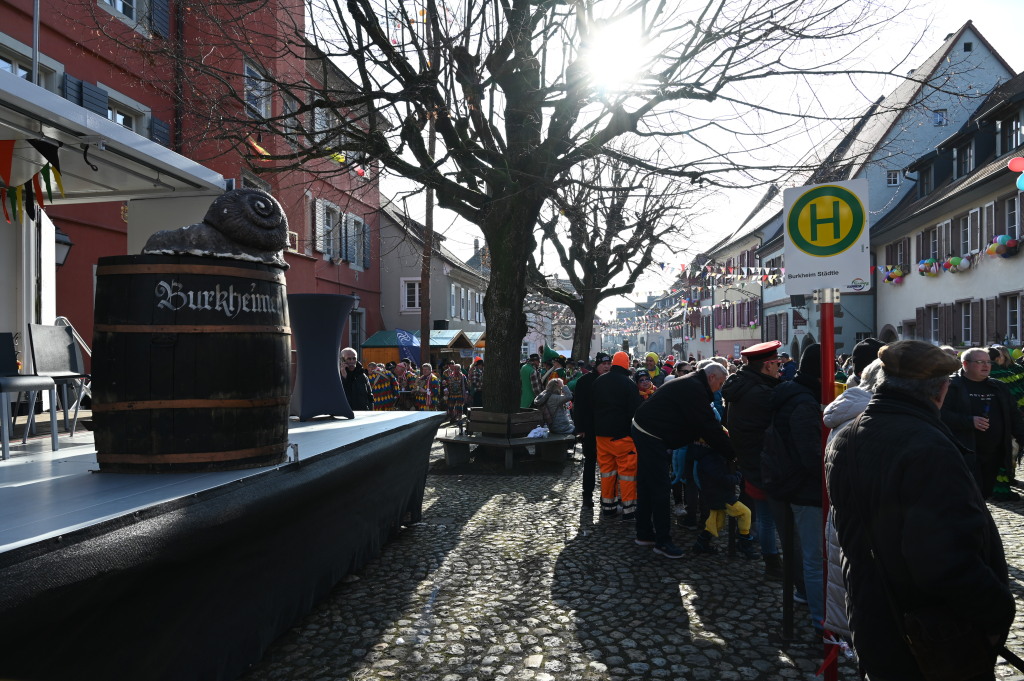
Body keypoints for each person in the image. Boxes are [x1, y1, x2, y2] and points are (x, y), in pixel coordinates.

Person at [826, 341, 1015, 680]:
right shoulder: (927, 446)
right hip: (927, 630)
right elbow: (945, 560)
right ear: (942, 389)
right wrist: (999, 609)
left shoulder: (846, 435)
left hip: (871, 613)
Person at [631, 361, 734, 560]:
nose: (719, 388)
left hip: (644, 427)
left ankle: (644, 534)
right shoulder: (695, 388)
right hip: (651, 434)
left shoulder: (694, 383)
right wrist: (732, 453)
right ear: (711, 377)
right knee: (660, 488)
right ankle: (662, 542)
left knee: (645, 484)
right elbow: (707, 425)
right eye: (720, 383)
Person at [762, 343, 824, 636]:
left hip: (785, 480)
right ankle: (821, 621)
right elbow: (810, 453)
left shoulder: (790, 392)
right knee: (813, 557)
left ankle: (809, 602)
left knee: (803, 551)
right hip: (802, 487)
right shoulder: (804, 401)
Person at [720, 340, 784, 578]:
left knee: (764, 515)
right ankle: (775, 564)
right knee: (772, 517)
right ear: (766, 366)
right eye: (777, 363)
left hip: (749, 458)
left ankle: (770, 560)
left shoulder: (742, 385)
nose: (780, 368)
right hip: (764, 461)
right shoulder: (762, 393)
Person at [941, 347, 1024, 501]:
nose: (986, 366)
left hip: (995, 455)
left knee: (984, 494)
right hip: (964, 453)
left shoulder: (999, 386)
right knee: (967, 497)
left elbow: (1014, 416)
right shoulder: (950, 386)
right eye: (980, 362)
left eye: (988, 362)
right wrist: (969, 421)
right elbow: (940, 415)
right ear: (965, 364)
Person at [592, 351, 643, 520]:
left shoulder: (599, 381)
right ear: (626, 364)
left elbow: (592, 407)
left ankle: (608, 507)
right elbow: (635, 411)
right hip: (623, 437)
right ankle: (629, 509)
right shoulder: (628, 384)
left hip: (601, 435)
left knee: (607, 472)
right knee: (627, 473)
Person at [572, 352, 611, 508]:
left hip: (607, 428)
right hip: (589, 428)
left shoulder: (611, 381)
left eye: (609, 364)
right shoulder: (585, 381)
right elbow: (579, 406)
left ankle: (606, 495)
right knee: (590, 462)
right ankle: (587, 494)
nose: (607, 367)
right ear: (597, 365)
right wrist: (580, 428)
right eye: (604, 364)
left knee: (607, 465)